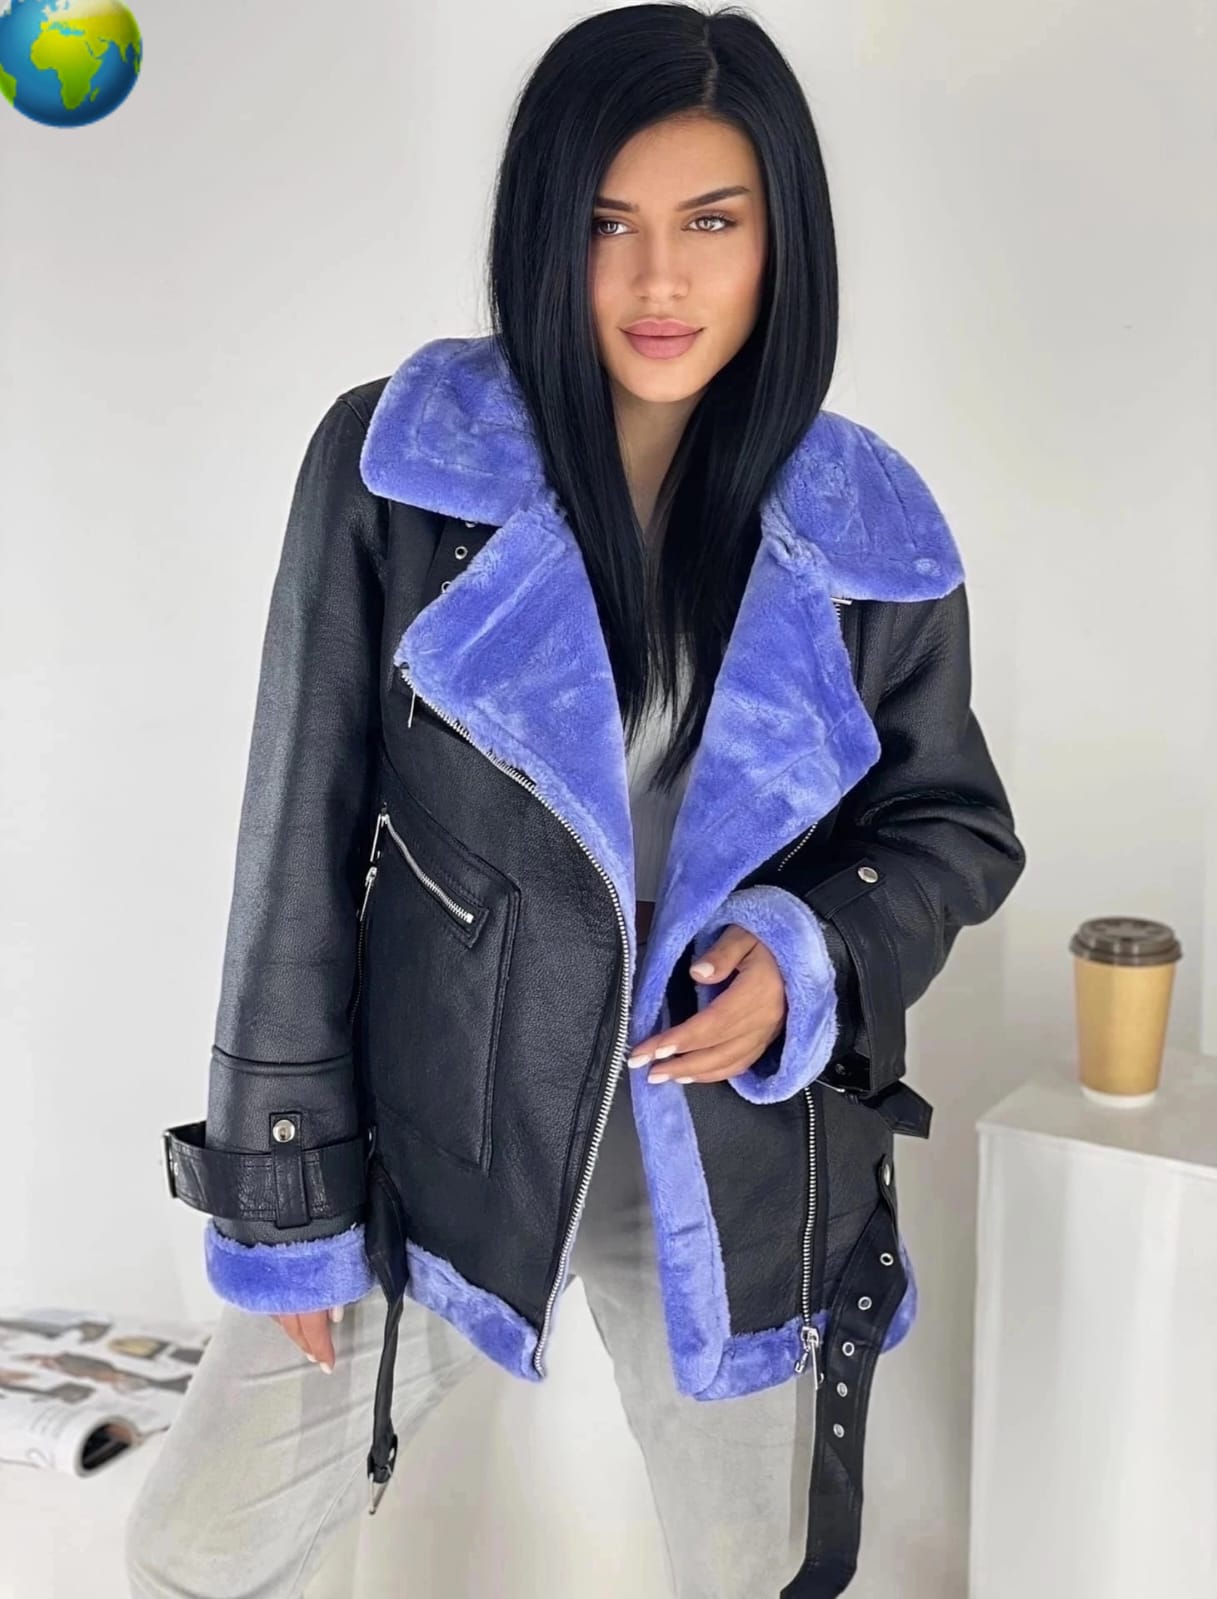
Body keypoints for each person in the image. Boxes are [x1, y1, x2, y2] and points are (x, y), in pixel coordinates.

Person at [128, 5, 1027, 1596]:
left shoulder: (866, 523)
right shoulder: (401, 467)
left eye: (710, 223)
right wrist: (285, 1195)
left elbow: (949, 827)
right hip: (443, 1134)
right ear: (544, 232)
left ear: (781, 239)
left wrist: (804, 954)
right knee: (205, 1549)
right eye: (607, 224)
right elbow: (298, 838)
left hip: (731, 1152)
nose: (658, 281)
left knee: (755, 1573)